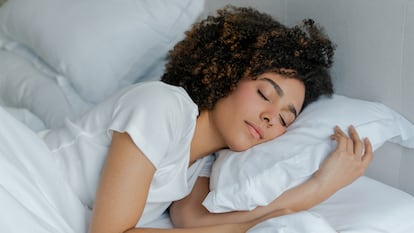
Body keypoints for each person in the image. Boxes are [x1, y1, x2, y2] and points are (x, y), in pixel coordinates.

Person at [38, 6, 372, 233]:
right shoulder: (162, 107)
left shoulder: (206, 163)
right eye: (265, 95)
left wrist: (318, 188)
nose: (271, 119)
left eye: (286, 119)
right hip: (24, 181)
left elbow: (194, 222)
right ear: (228, 73)